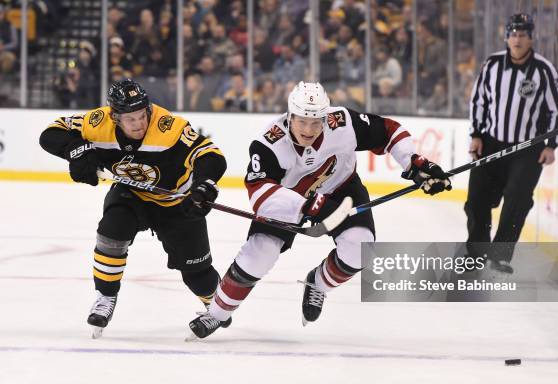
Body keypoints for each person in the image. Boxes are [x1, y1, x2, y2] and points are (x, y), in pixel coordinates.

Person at [188, 81, 452, 339]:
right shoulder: (269, 143)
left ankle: (318, 283)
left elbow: (388, 130)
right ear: (290, 116)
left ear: (325, 118)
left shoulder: (343, 123)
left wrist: (415, 164)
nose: (309, 129)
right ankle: (217, 313)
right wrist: (309, 207)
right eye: (302, 120)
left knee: (360, 249)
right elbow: (260, 193)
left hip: (342, 190)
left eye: (316, 122)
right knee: (260, 254)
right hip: (289, 200)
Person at [39, 79, 228, 338]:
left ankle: (217, 305)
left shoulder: (169, 127)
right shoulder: (97, 123)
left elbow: (210, 155)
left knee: (198, 276)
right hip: (132, 195)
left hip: (177, 204)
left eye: (142, 115)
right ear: (114, 117)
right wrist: (77, 151)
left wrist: (204, 185)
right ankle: (105, 297)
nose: (139, 123)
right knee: (111, 231)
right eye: (131, 119)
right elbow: (50, 133)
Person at [465, 13, 558, 273]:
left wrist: (551, 144)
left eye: (523, 34)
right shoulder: (492, 64)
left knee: (517, 200)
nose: (517, 39)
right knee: (476, 200)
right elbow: (479, 101)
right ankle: (477, 253)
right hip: (491, 144)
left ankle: (499, 255)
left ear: (531, 38)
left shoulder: (544, 70)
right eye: (513, 34)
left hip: (527, 149)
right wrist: (477, 134)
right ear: (506, 37)